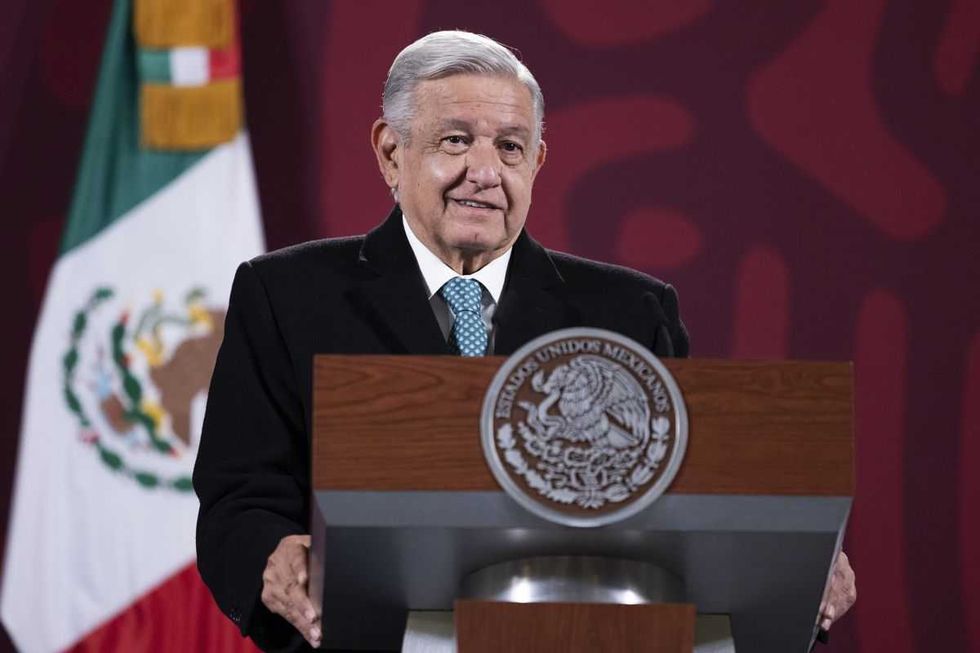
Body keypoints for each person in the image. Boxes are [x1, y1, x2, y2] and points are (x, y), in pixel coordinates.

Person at [193, 30, 854, 651]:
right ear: (391, 152)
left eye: (510, 147)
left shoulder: (631, 311)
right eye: (456, 140)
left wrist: (798, 566)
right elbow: (240, 498)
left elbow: (684, 497)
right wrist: (271, 555)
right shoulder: (287, 295)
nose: (485, 170)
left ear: (536, 161)